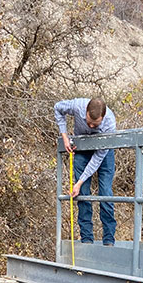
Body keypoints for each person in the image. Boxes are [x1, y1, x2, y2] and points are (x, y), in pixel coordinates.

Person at [54, 96, 116, 245]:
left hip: (103, 153)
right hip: (81, 149)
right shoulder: (77, 106)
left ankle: (108, 240)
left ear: (103, 118)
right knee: (82, 194)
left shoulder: (110, 123)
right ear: (86, 111)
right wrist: (65, 137)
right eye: (88, 123)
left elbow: (97, 160)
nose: (91, 127)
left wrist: (80, 181)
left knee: (105, 192)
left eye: (95, 125)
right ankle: (87, 239)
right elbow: (57, 108)